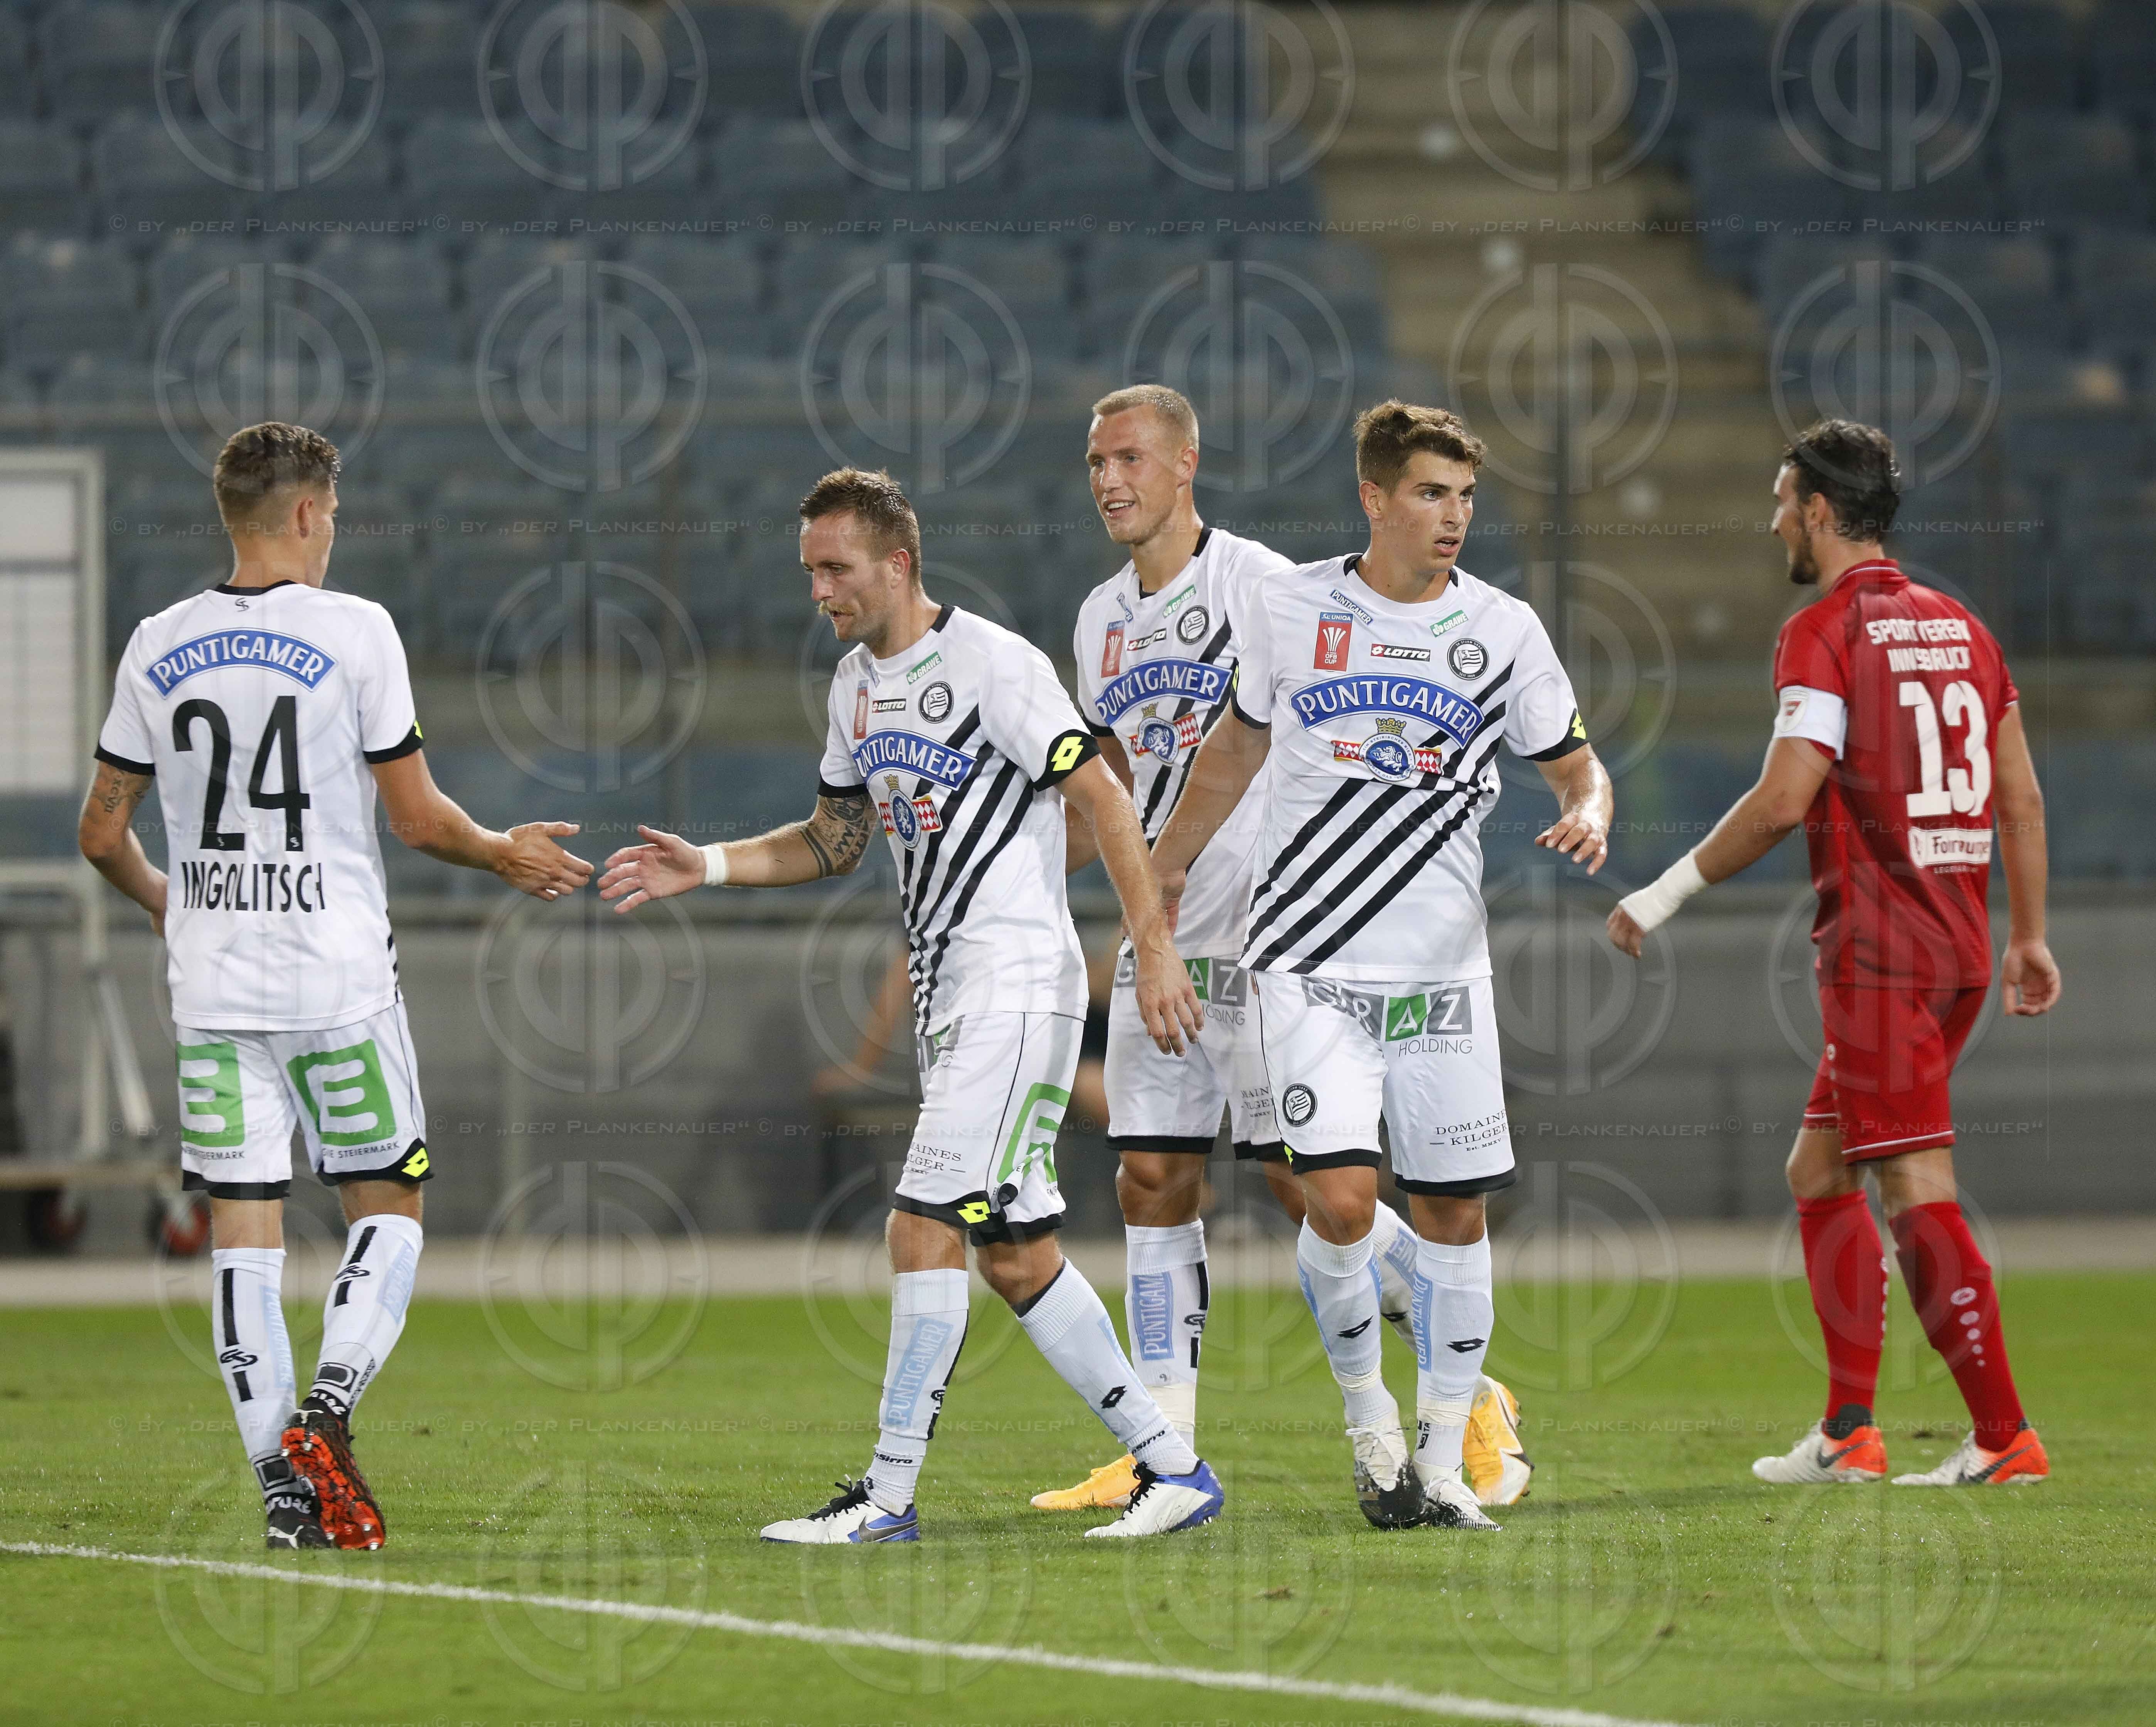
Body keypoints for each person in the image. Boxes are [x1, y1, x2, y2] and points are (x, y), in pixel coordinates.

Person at [600, 467, 1224, 1541]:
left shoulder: (992, 665)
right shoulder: (853, 687)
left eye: (835, 569)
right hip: (952, 995)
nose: (820, 591)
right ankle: (1175, 1472)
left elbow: (1105, 799)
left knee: (920, 1222)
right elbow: (834, 841)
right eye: (809, 572)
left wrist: (1153, 951)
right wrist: (702, 865)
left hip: (1016, 983)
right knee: (1017, 1248)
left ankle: (886, 1496)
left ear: (898, 562)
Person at [77, 422, 591, 1549]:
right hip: (336, 982)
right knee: (388, 1208)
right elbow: (414, 819)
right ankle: (330, 1407)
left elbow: (100, 830)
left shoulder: (155, 643)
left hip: (212, 993)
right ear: (309, 514)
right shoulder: (357, 631)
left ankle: (282, 1492)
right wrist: (504, 848)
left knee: (243, 1240)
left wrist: (177, 904)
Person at [1034, 384, 1533, 1515]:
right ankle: (1162, 1450)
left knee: (1312, 1192)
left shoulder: (1265, 588)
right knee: (1151, 1178)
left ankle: (1478, 1391)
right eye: (1094, 463)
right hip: (1165, 938)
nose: (1108, 480)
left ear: (1185, 465)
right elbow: (1111, 792)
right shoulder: (1097, 619)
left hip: (1275, 940)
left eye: (1127, 459)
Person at [1150, 402, 1612, 1530]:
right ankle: (1369, 1430)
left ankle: (1444, 1462)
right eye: (1428, 493)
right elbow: (1235, 749)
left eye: (1463, 496)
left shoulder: (1503, 631)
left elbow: (1576, 767)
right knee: (1342, 1200)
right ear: (1373, 497)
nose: (1453, 516)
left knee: (1457, 1220)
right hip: (1311, 965)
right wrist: (1159, 881)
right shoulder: (1293, 605)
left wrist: (1592, 812)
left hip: (1446, 981)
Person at [1609, 419, 2057, 1487]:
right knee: (1818, 1170)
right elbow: (2022, 797)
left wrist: (1661, 893)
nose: (1773, 521)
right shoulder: (1965, 628)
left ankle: (2004, 1438)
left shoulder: (1824, 633)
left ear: (1818, 510)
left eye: (1780, 502)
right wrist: (2029, 937)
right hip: (1954, 949)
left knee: (1912, 1183)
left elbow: (1782, 800)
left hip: (1880, 958)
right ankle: (1851, 1430)